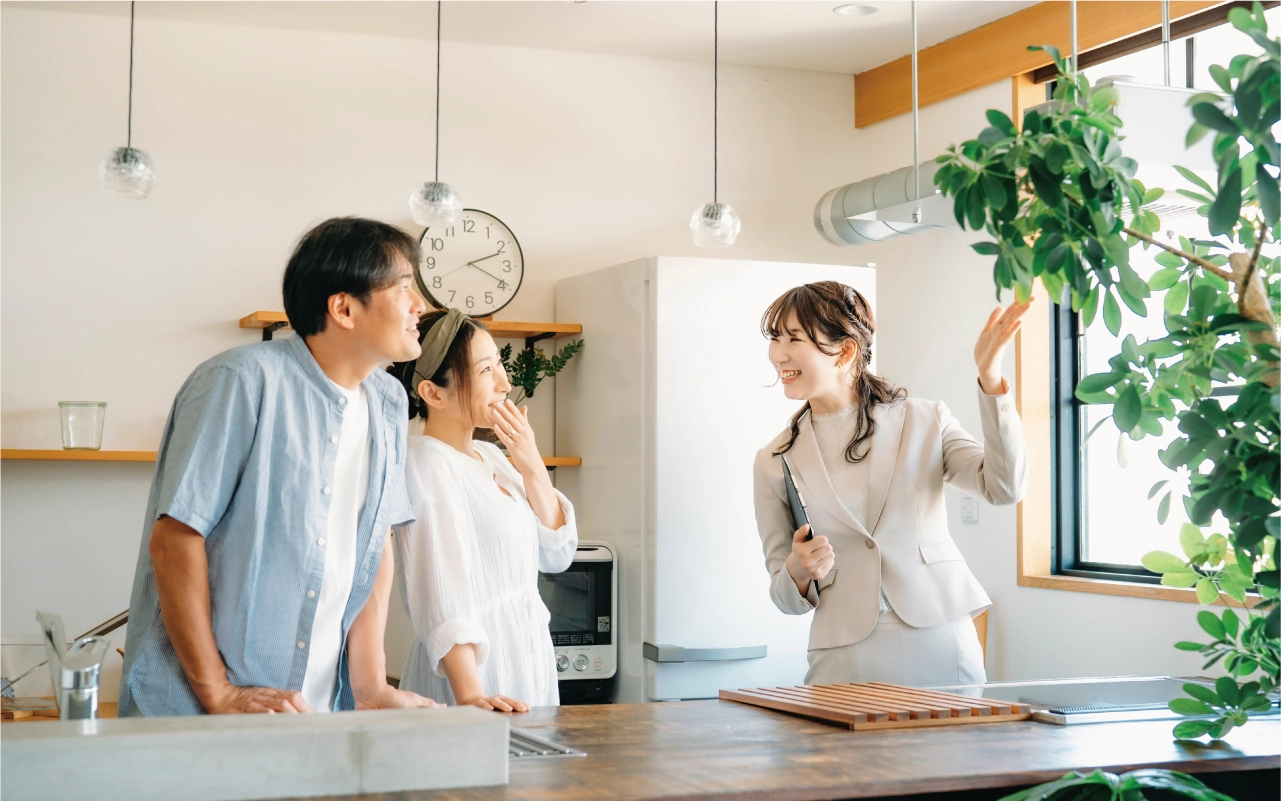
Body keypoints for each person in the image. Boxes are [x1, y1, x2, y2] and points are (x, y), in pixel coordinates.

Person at [119, 217, 438, 715]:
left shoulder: (389, 401)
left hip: (316, 711)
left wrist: (371, 686)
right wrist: (218, 692)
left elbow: (375, 548)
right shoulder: (239, 381)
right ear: (344, 307)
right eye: (404, 289)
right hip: (195, 710)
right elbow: (175, 541)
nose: (422, 306)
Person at [753, 281, 1029, 687]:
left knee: (952, 752)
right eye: (775, 338)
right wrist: (797, 569)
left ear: (845, 351)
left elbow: (1005, 487)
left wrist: (990, 378)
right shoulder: (774, 460)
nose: (778, 354)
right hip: (843, 651)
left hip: (938, 636)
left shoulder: (926, 420)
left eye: (793, 338)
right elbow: (783, 595)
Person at [389, 309, 577, 711]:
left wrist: (531, 465)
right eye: (486, 369)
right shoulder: (426, 465)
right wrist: (472, 696)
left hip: (528, 662)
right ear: (433, 394)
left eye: (500, 363)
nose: (504, 383)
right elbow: (441, 595)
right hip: (475, 676)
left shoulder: (493, 455)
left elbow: (558, 555)